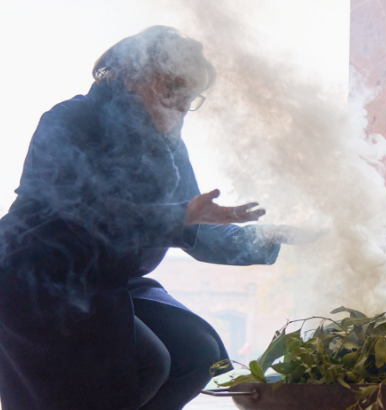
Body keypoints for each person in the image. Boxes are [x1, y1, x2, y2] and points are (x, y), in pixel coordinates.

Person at [0, 26, 311, 410]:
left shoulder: (169, 145)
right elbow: (87, 210)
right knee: (147, 363)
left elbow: (197, 231)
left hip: (108, 282)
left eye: (190, 96)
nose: (182, 104)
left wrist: (265, 237)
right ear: (133, 74)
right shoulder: (69, 119)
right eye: (173, 88)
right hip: (37, 277)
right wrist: (181, 216)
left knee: (198, 354)